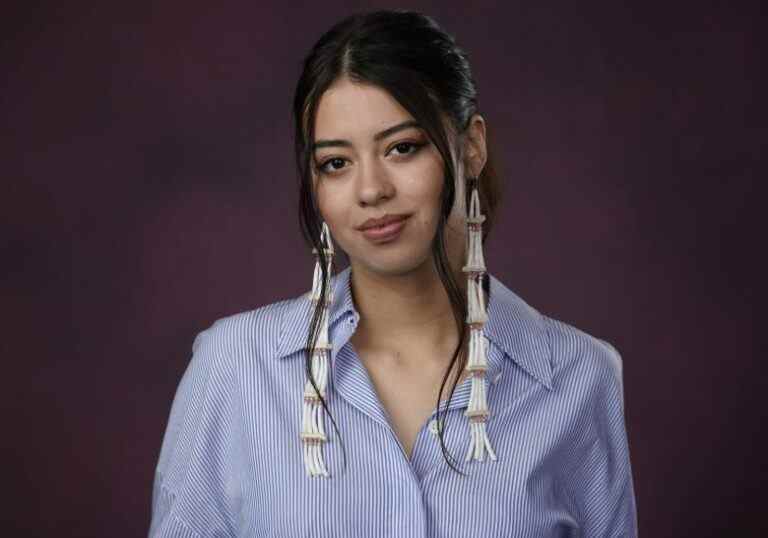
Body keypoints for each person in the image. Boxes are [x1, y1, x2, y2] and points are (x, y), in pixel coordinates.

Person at [149, 9, 638, 537]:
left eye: (402, 148)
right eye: (336, 163)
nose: (371, 190)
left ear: (471, 146)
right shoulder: (236, 366)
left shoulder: (581, 378)